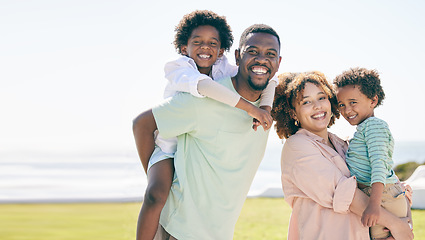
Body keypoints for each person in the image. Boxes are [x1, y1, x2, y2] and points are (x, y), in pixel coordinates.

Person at [135, 10, 277, 240]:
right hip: (166, 143)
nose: (205, 47)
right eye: (197, 42)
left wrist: (267, 108)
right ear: (184, 48)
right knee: (156, 195)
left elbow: (273, 81)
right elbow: (204, 88)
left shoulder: (224, 70)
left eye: (213, 43)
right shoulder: (181, 69)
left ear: (222, 51)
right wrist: (151, 168)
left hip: (217, 230)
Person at [271, 71, 413, 240]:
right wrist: (397, 225)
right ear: (294, 113)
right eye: (306, 101)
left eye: (321, 97)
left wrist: (405, 221)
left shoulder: (342, 144)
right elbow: (347, 196)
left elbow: (384, 173)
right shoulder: (297, 146)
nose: (317, 106)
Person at [334, 67, 410, 239]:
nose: (347, 110)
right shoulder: (364, 129)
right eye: (341, 105)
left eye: (353, 102)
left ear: (373, 100)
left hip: (381, 198)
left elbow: (379, 165)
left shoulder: (373, 126)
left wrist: (374, 205)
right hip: (377, 197)